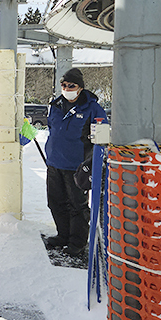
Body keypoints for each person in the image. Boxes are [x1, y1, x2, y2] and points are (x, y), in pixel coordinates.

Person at [43, 67, 108, 257]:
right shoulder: (55, 105)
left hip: (77, 166)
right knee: (55, 203)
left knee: (77, 206)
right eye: (63, 85)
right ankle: (62, 235)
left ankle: (77, 242)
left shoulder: (92, 108)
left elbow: (102, 138)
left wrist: (92, 162)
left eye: (71, 85)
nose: (66, 88)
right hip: (54, 163)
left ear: (80, 88)